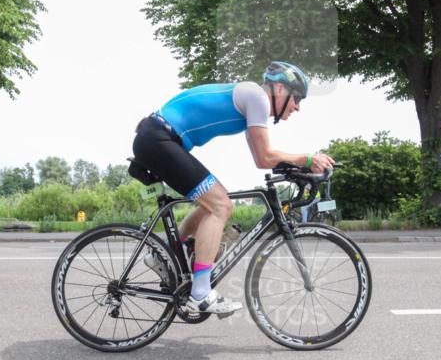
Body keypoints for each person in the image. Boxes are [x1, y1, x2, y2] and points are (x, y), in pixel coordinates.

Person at [131, 61, 334, 316]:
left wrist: (299, 165)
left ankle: (162, 256)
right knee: (221, 206)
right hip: (159, 138)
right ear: (280, 89)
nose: (298, 107)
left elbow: (263, 159)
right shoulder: (258, 97)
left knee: (215, 203)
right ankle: (201, 294)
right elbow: (266, 156)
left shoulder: (253, 101)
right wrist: (306, 159)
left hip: (159, 138)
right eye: (297, 98)